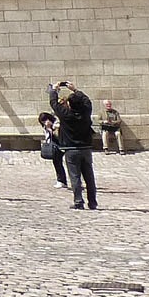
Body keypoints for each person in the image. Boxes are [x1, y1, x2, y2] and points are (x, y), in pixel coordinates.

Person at [49, 81, 97, 210]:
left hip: (71, 149)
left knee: (75, 177)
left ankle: (78, 201)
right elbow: (87, 101)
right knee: (89, 177)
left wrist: (54, 90)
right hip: (86, 148)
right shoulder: (86, 113)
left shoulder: (66, 115)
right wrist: (75, 90)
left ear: (70, 104)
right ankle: (92, 202)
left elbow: (54, 104)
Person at [37, 112, 67, 189]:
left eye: (45, 121)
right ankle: (61, 180)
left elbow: (58, 135)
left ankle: (66, 180)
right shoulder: (46, 127)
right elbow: (47, 137)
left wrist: (51, 128)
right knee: (57, 163)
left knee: (65, 163)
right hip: (54, 147)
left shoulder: (56, 124)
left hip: (61, 145)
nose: (44, 123)